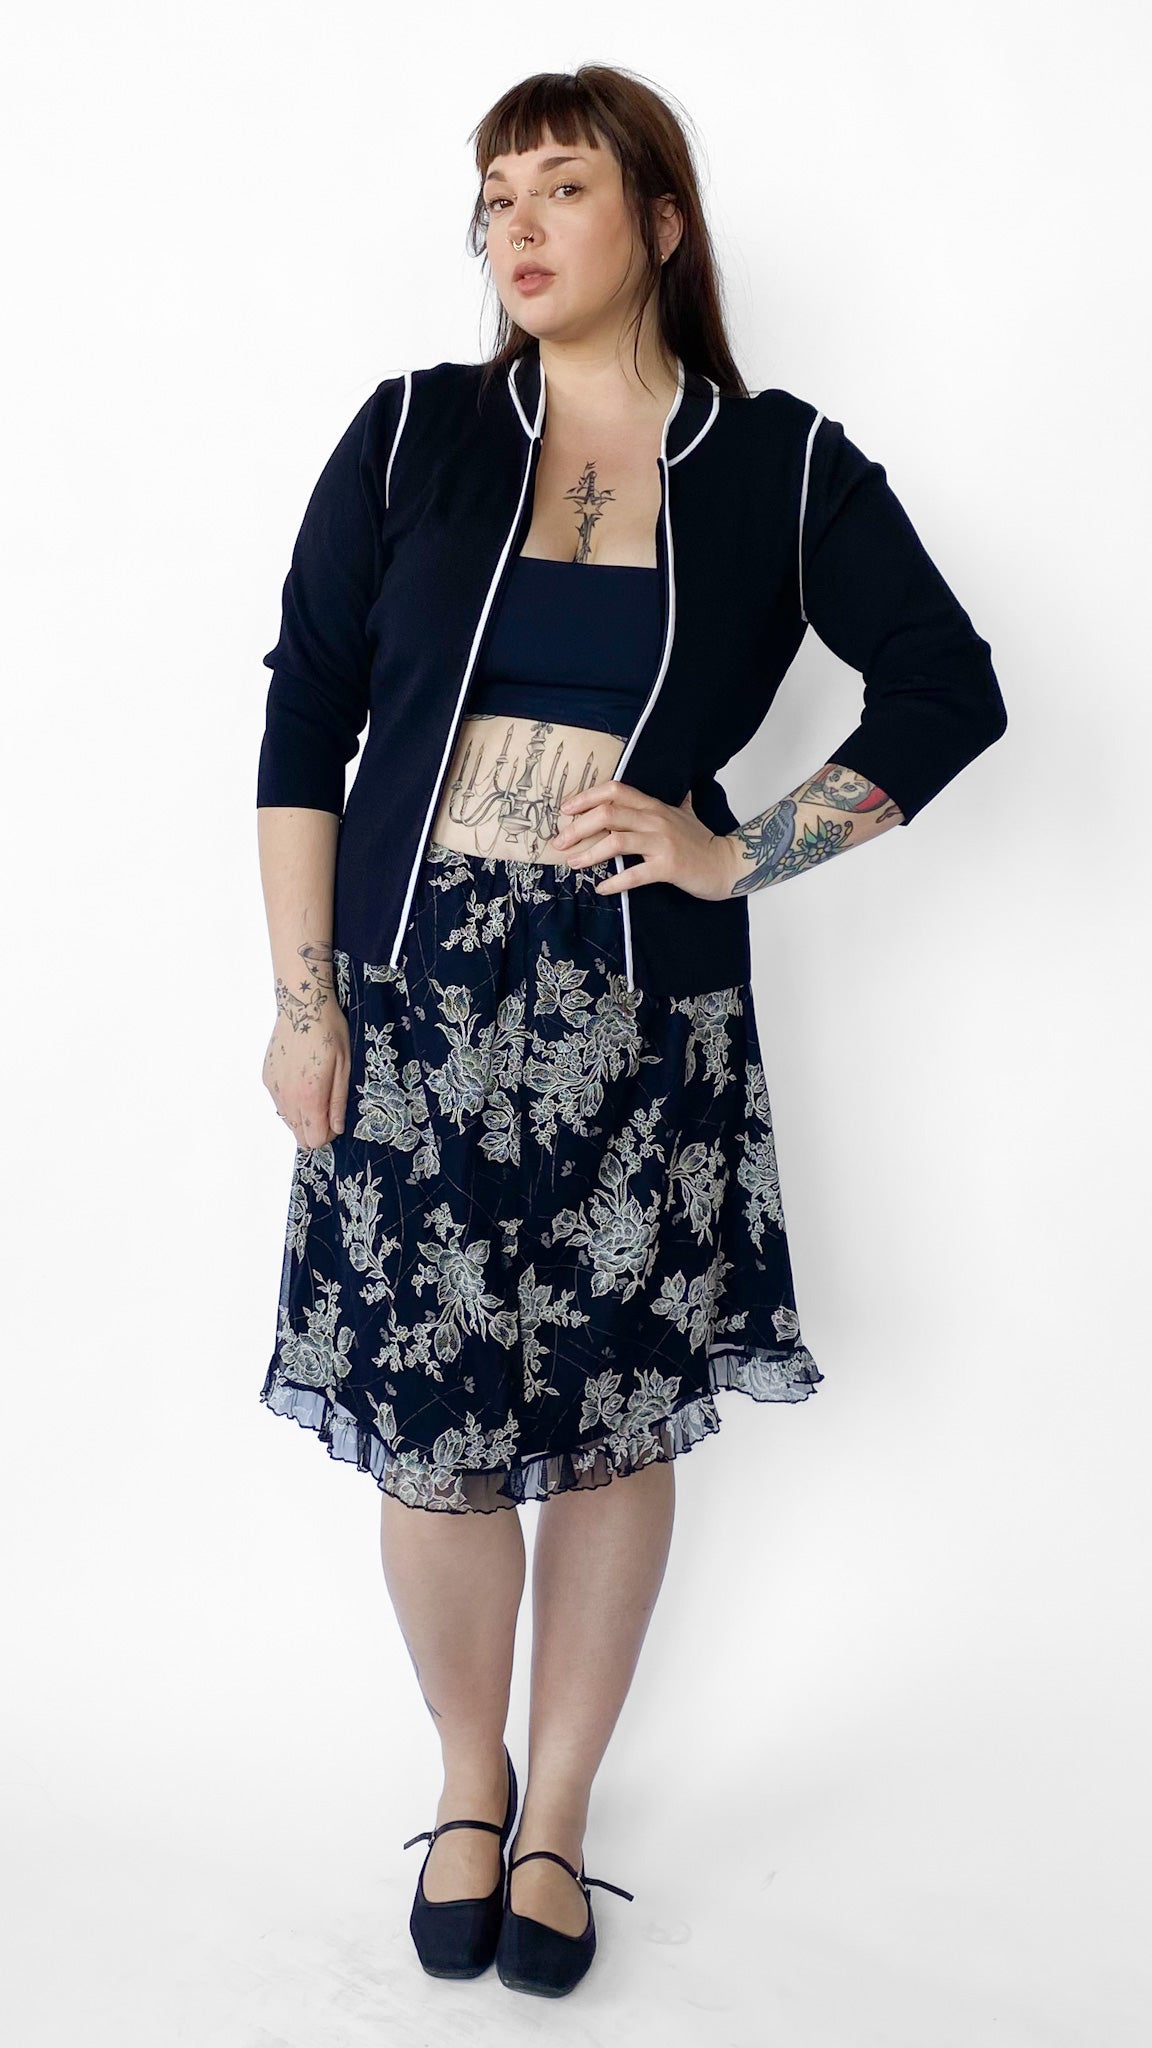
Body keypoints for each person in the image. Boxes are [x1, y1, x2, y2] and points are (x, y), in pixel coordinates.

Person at [254, 66, 1007, 1996]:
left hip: (637, 1023)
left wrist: (736, 850)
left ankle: (564, 1812)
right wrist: (303, 998)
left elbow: (948, 687)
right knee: (434, 1437)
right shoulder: (413, 434)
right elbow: (305, 721)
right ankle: (470, 1781)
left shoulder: (786, 467)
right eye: (493, 195)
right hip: (416, 1006)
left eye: (561, 187)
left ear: (661, 222)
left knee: (602, 1433)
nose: (515, 226)